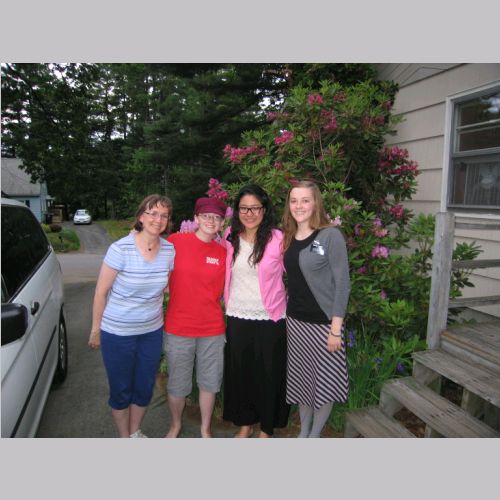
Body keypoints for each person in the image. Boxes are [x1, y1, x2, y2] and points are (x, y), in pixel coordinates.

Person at [88, 194, 175, 438]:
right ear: (141, 217)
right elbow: (100, 292)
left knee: (144, 386)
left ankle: (135, 432)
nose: (158, 219)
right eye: (153, 213)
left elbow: (166, 287)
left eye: (164, 215)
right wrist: (96, 329)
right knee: (121, 389)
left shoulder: (169, 250)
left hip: (151, 332)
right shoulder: (120, 249)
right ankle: (124, 437)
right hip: (118, 333)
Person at [282, 180, 351, 438]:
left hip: (324, 324)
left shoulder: (330, 235)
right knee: (303, 381)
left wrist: (336, 329)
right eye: (294, 201)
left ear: (316, 203)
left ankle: (314, 435)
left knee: (324, 383)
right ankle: (304, 432)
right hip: (296, 322)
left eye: (305, 200)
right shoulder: (289, 237)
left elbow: (343, 283)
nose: (298, 206)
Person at [223, 185, 290, 438]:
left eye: (255, 208)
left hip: (270, 316)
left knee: (269, 374)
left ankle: (267, 428)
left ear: (264, 210)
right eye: (244, 208)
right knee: (242, 374)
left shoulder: (278, 239)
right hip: (237, 314)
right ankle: (245, 424)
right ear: (237, 210)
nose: (249, 213)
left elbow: (295, 271)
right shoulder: (229, 236)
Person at [164, 197, 227, 438]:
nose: (211, 221)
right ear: (196, 218)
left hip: (212, 329)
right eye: (206, 216)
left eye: (217, 217)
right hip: (178, 326)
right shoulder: (175, 242)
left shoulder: (223, 253)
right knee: (177, 383)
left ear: (222, 223)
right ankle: (175, 425)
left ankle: (205, 428)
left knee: (209, 382)